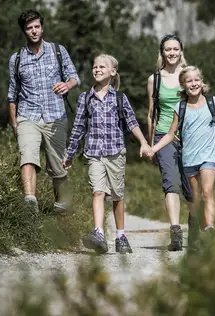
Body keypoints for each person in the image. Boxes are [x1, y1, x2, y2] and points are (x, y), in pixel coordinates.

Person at [147, 66, 215, 248]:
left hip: (209, 154)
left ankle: (209, 227)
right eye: (189, 81)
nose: (193, 84)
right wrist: (154, 148)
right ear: (183, 85)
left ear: (202, 82)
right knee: (195, 199)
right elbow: (170, 134)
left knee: (207, 191)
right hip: (189, 157)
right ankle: (196, 229)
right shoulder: (180, 107)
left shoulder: (213, 102)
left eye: (196, 80)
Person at [62, 54, 151, 254]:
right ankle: (99, 233)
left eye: (102, 66)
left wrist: (144, 143)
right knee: (98, 192)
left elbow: (131, 123)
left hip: (115, 153)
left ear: (112, 72)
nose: (97, 69)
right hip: (94, 153)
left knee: (117, 196)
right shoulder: (86, 98)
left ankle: (121, 235)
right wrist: (69, 154)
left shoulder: (119, 98)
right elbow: (78, 129)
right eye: (95, 66)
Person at [7, 9, 80, 213]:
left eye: (36, 26)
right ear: (24, 31)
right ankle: (30, 203)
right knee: (28, 156)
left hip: (55, 116)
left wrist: (68, 85)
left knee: (58, 167)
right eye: (29, 28)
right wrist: (15, 123)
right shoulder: (16, 59)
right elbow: (12, 94)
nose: (34, 31)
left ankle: (61, 209)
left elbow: (74, 77)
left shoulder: (58, 51)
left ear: (42, 27)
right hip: (27, 115)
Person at [146, 34, 192, 251]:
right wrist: (151, 145)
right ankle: (175, 231)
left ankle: (196, 231)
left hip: (191, 137)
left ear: (181, 50)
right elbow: (150, 115)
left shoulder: (190, 75)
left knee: (192, 188)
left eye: (175, 49)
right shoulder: (154, 79)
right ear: (162, 52)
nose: (172, 53)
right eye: (168, 49)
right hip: (164, 136)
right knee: (170, 183)